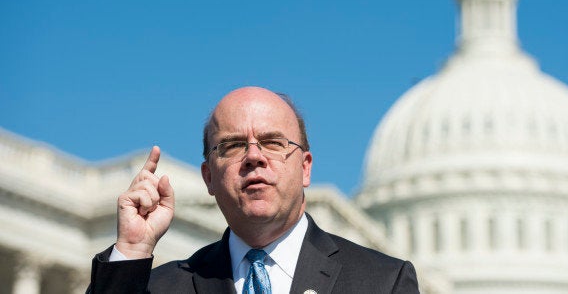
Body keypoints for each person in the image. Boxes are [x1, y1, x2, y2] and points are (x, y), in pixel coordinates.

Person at [88, 87, 420, 293]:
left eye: (273, 143)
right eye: (232, 146)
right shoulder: (160, 287)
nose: (254, 157)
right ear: (209, 178)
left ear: (305, 167)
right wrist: (131, 250)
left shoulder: (381, 282)